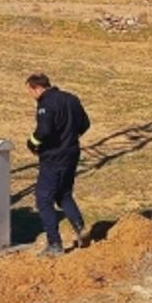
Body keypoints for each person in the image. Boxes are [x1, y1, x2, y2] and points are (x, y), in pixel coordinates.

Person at [25, 73, 91, 257]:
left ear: (37, 88)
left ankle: (54, 244)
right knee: (63, 194)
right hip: (72, 154)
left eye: (30, 92)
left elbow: (44, 131)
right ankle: (80, 228)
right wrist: (69, 138)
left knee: (43, 198)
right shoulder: (71, 99)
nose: (31, 96)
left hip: (53, 157)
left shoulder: (46, 104)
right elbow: (85, 124)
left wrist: (32, 143)